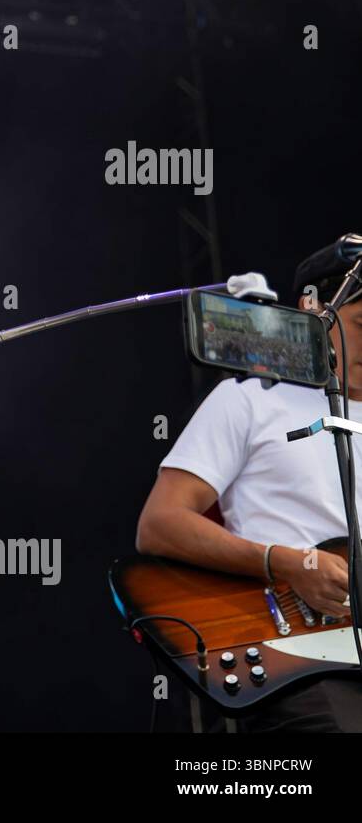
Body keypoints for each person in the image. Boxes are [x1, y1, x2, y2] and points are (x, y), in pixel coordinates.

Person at [136, 240, 362, 731]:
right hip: (299, 659)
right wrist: (285, 562)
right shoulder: (251, 397)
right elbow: (160, 524)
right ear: (314, 309)